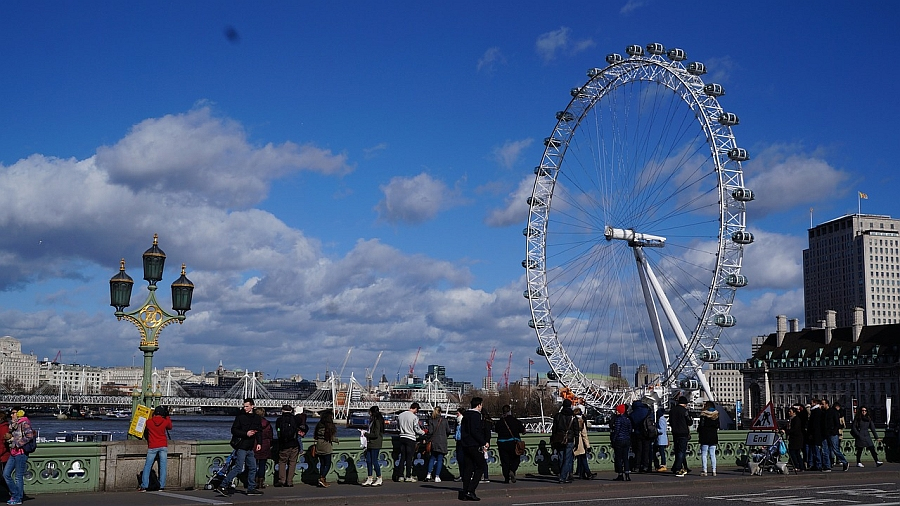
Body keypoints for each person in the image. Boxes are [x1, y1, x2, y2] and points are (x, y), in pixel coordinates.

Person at [215, 398, 263, 497]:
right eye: (244, 406)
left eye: (247, 406)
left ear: (252, 406)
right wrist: (246, 433)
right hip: (241, 446)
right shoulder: (240, 417)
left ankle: (251, 488)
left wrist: (259, 443)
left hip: (250, 446)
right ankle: (223, 485)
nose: (245, 408)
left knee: (253, 468)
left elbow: (259, 431)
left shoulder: (257, 418)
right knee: (238, 467)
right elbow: (234, 430)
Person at [3, 409, 34, 506]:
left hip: (21, 453)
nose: (11, 415)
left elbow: (29, 436)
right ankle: (16, 494)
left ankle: (18, 498)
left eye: (13, 413)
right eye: (11, 413)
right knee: (6, 474)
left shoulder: (24, 423)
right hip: (13, 452)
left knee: (18, 477)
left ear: (19, 413)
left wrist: (16, 442)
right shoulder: (13, 425)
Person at [458, 396, 487, 502]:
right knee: (481, 466)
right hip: (474, 445)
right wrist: (483, 442)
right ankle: (471, 490)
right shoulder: (476, 416)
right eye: (481, 405)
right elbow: (475, 431)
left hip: (465, 445)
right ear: (479, 405)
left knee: (468, 469)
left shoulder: (465, 415)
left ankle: (465, 492)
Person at [139, 405, 172, 492]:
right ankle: (161, 486)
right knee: (163, 466)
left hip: (152, 446)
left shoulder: (149, 422)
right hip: (163, 446)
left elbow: (145, 428)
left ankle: (144, 485)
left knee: (147, 466)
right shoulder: (165, 421)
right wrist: (167, 416)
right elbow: (170, 427)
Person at [551, 398, 579, 483]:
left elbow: (554, 429)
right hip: (569, 439)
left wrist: (553, 439)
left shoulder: (558, 416)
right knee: (567, 458)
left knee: (561, 457)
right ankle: (563, 477)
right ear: (570, 406)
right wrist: (576, 442)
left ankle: (562, 474)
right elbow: (576, 431)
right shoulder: (573, 417)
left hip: (559, 439)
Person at [495, 404, 525, 484]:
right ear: (510, 411)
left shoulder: (500, 422)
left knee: (504, 461)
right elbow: (522, 430)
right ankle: (512, 470)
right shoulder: (515, 421)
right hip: (513, 443)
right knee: (516, 458)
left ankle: (506, 478)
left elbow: (496, 430)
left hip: (502, 443)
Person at [398, 402, 425, 482]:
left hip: (402, 437)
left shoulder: (400, 415)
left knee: (402, 458)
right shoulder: (414, 417)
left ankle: (400, 476)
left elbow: (398, 426)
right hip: (410, 438)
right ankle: (408, 476)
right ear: (416, 409)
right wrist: (423, 432)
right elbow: (416, 429)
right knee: (409, 458)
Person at [275, 405, 301, 487]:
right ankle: (289, 481)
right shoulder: (296, 419)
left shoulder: (279, 420)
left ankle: (282, 480)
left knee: (282, 462)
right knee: (292, 462)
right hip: (294, 444)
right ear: (291, 410)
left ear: (282, 410)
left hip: (284, 444)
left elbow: (278, 430)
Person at [821, 399, 849, 472]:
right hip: (825, 433)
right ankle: (827, 466)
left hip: (832, 434)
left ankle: (845, 462)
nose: (821, 405)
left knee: (835, 449)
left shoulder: (833, 412)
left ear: (827, 404)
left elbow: (837, 423)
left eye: (822, 404)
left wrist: (834, 431)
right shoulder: (823, 412)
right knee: (825, 450)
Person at [314, 408, 339, 487]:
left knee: (322, 464)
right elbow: (330, 437)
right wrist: (336, 440)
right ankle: (322, 478)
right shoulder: (329, 426)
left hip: (319, 445)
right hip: (326, 446)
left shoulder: (319, 425)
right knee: (327, 464)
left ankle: (323, 480)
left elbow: (316, 436)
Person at [361, 405, 385, 486]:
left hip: (375, 443)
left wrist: (365, 434)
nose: (369, 413)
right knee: (368, 461)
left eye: (370, 412)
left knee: (374, 461)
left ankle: (379, 477)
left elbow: (375, 434)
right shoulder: (373, 420)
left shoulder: (377, 421)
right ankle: (370, 478)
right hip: (370, 443)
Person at [425, 406, 450, 483]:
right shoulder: (444, 421)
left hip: (434, 441)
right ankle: (437, 476)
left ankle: (428, 474)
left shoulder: (432, 420)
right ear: (440, 412)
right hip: (442, 442)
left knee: (432, 458)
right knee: (439, 459)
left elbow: (430, 432)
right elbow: (448, 431)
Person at [628, 398, 653, 473]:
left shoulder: (632, 414)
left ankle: (637, 466)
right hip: (646, 433)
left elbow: (631, 425)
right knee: (646, 450)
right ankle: (645, 466)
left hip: (637, 433)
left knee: (638, 451)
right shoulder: (647, 411)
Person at [670, 396, 692, 477]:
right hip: (683, 433)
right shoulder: (684, 411)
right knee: (681, 451)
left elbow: (671, 422)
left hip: (675, 432)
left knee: (677, 450)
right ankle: (677, 468)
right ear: (685, 403)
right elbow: (689, 422)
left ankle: (684, 467)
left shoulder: (672, 410)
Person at [610, 404, 632, 481]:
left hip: (619, 440)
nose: (616, 412)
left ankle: (620, 474)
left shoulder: (618, 419)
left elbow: (616, 431)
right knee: (625, 458)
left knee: (618, 458)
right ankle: (627, 474)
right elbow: (630, 430)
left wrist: (613, 440)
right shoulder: (627, 419)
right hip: (626, 440)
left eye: (617, 410)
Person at [253, 407, 273, 490]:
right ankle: (261, 482)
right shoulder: (267, 424)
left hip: (254, 444)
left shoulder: (253, 422)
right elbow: (270, 435)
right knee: (262, 465)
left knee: (252, 465)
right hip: (265, 445)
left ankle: (252, 481)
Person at [697, 401, 719, 476]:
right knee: (712, 454)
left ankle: (705, 470)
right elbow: (717, 426)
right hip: (713, 436)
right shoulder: (716, 415)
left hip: (705, 436)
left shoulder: (703, 415)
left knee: (704, 454)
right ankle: (714, 470)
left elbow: (701, 426)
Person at [572, 406, 594, 480]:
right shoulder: (581, 421)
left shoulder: (571, 420)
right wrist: (588, 446)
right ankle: (588, 473)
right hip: (580, 443)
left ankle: (579, 473)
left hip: (572, 441)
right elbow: (584, 435)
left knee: (574, 458)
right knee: (583, 458)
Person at [807, 398, 825, 471]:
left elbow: (814, 425)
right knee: (815, 450)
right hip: (817, 434)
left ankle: (818, 464)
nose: (810, 404)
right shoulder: (818, 412)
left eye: (811, 403)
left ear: (814, 403)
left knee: (816, 450)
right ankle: (817, 464)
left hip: (815, 434)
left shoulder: (815, 412)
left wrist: (811, 433)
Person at [785, 407, 806, 472]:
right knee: (796, 453)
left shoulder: (796, 419)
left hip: (796, 438)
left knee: (794, 453)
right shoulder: (790, 419)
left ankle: (798, 466)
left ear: (794, 412)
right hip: (793, 438)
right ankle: (800, 466)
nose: (789, 413)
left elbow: (795, 429)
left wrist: (787, 431)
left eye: (790, 412)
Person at [653, 407, 669, 472]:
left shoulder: (660, 420)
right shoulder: (664, 419)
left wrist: (656, 429)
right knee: (661, 452)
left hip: (661, 439)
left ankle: (663, 465)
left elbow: (661, 430)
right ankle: (662, 464)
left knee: (661, 453)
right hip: (663, 438)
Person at [453, 406, 466, 482]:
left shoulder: (463, 422)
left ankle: (464, 475)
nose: (456, 415)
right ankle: (462, 475)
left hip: (463, 442)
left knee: (463, 459)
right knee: (460, 459)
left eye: (457, 413)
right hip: (459, 442)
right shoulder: (457, 422)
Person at [480, 411, 493, 483]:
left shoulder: (483, 424)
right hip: (486, 443)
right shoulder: (488, 423)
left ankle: (484, 476)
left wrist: (485, 443)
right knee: (484, 460)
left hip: (483, 443)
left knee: (481, 461)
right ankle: (485, 476)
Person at [0, 412, 10, 501]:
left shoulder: (4, 428)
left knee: (3, 476)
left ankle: (12, 491)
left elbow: (3, 444)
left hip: (3, 456)